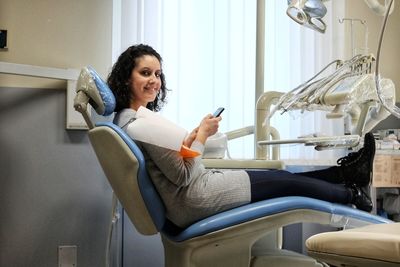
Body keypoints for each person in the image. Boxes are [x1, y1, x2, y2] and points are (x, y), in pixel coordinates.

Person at [108, 44, 375, 228]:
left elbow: (169, 165)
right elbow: (182, 175)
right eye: (145, 73)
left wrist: (189, 140)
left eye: (157, 74)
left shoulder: (128, 119)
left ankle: (346, 176)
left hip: (194, 193)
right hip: (195, 197)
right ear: (126, 78)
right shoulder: (138, 122)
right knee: (285, 183)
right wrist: (201, 136)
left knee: (285, 178)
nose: (155, 80)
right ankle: (352, 194)